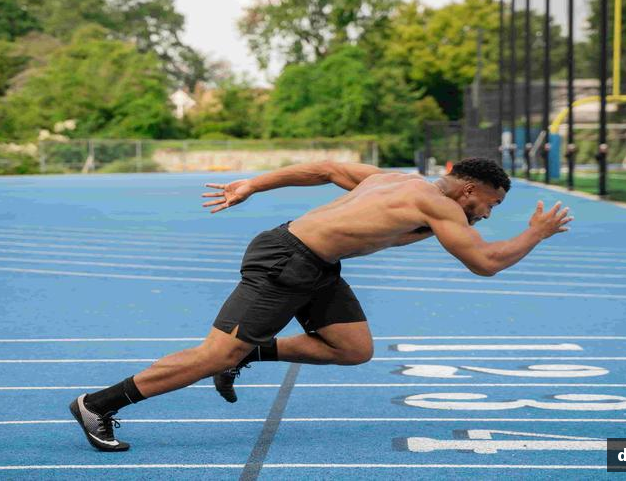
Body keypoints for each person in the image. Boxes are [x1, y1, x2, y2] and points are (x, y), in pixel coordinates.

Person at [69, 157, 572, 451]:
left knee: (352, 348)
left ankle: (249, 353)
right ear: (469, 188)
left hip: (315, 264)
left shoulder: (395, 179)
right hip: (286, 260)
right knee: (214, 355)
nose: (487, 213)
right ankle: (98, 404)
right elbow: (484, 263)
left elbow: (328, 169)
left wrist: (254, 183)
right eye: (490, 203)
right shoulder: (437, 204)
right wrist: (536, 233)